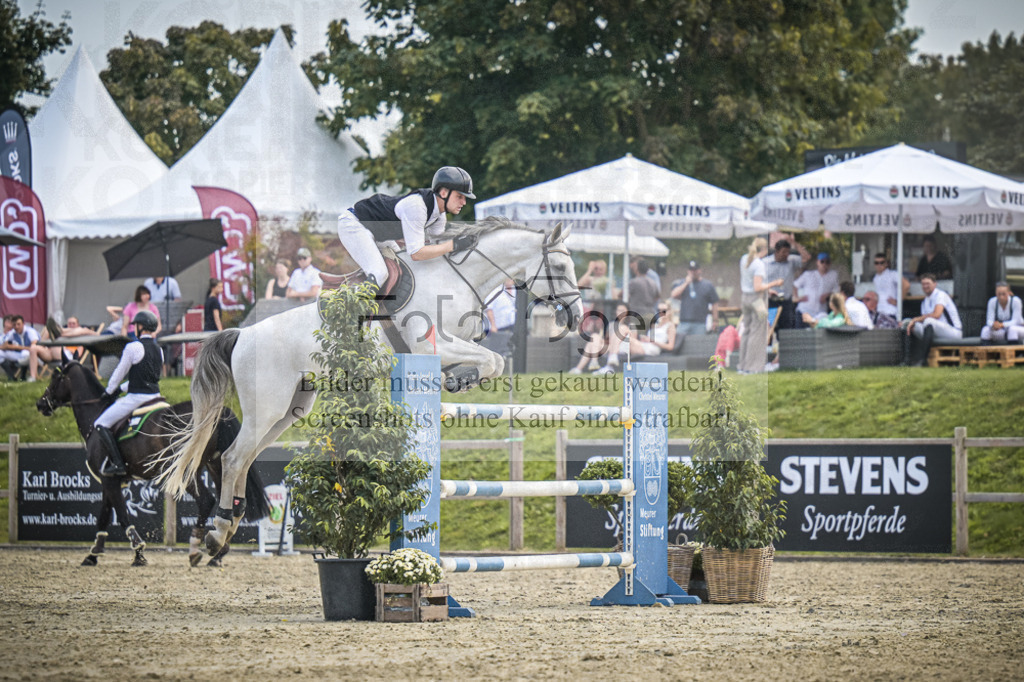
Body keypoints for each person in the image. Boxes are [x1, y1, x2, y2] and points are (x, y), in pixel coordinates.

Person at [337, 166, 477, 290]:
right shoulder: (417, 207)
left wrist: (458, 246)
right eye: (459, 196)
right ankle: (347, 311)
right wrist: (453, 245)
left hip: (379, 234)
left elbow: (437, 247)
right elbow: (416, 254)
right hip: (355, 223)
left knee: (405, 267)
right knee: (380, 274)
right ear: (444, 192)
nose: (464, 202)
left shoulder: (439, 216)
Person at [90, 311, 163, 477]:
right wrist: (120, 389)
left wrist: (109, 391)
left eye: (136, 325)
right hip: (157, 397)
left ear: (140, 327)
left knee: (100, 424)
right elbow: (143, 377)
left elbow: (119, 373)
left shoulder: (133, 347)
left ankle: (117, 463)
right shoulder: (160, 350)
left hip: (137, 398)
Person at [738, 237, 784, 374]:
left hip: (745, 298)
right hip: (757, 300)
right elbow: (758, 287)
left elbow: (751, 283)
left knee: (746, 331)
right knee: (758, 332)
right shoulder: (759, 264)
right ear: (764, 250)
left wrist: (768, 290)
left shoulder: (744, 258)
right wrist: (774, 283)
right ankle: (754, 367)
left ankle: (742, 365)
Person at [905, 273, 962, 365]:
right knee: (909, 324)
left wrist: (916, 319)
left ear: (935, 284)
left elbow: (937, 315)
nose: (925, 286)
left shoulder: (940, 295)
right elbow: (924, 322)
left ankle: (923, 360)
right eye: (923, 284)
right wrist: (912, 322)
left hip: (953, 331)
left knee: (929, 320)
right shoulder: (924, 301)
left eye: (928, 283)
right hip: (934, 332)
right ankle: (907, 360)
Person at [27, 317, 99, 382]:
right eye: (69, 323)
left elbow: (79, 354)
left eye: (73, 323)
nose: (71, 325)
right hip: (50, 353)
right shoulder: (66, 332)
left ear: (78, 324)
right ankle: (33, 377)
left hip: (66, 356)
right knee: (33, 347)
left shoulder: (80, 334)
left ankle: (54, 335)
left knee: (53, 335)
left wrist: (69, 349)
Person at [762, 239, 804, 330]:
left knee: (786, 327)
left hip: (786, 301)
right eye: (783, 252)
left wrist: (795, 243)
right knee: (769, 326)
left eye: (788, 252)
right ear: (776, 252)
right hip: (770, 300)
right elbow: (759, 282)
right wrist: (768, 290)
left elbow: (806, 258)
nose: (786, 254)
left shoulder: (791, 261)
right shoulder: (765, 263)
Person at [671, 260, 719, 337]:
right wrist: (686, 283)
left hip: (700, 323)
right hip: (684, 322)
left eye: (695, 270)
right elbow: (674, 295)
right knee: (679, 343)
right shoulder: (683, 282)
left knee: (698, 345)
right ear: (688, 271)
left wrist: (715, 320)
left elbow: (715, 303)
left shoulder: (707, 285)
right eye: (691, 270)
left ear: (699, 270)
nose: (693, 272)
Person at [795, 253, 840, 321]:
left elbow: (837, 291)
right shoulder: (808, 275)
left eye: (827, 262)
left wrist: (828, 295)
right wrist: (798, 297)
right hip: (805, 311)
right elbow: (795, 285)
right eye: (822, 262)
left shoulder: (833, 275)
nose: (824, 264)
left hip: (820, 313)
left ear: (830, 263)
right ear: (817, 262)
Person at [482, 279, 517, 358]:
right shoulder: (495, 291)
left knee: (505, 350)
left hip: (509, 324)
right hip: (496, 327)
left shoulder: (514, 289)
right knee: (494, 350)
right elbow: (489, 309)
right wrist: (493, 325)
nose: (509, 280)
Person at [1, 315, 41, 381]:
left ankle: (23, 376)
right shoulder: (13, 332)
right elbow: (5, 345)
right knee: (0, 353)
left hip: (34, 356)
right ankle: (11, 376)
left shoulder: (30, 331)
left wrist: (16, 347)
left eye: (18, 324)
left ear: (23, 324)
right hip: (20, 354)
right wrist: (21, 347)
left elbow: (34, 346)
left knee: (25, 353)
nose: (16, 327)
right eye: (14, 325)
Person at [871, 254, 909, 318]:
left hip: (890, 312)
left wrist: (898, 301)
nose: (879, 265)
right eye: (876, 263)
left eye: (882, 262)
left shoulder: (892, 274)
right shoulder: (875, 278)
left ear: (886, 264)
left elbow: (906, 285)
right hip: (878, 312)